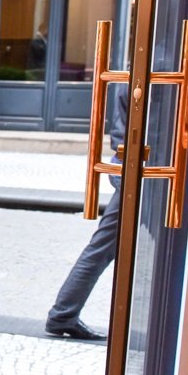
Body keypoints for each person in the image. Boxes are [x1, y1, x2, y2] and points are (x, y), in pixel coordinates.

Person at [46, 93, 127, 340]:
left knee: (101, 247)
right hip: (140, 171)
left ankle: (63, 314)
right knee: (103, 248)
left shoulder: (136, 69)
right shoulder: (165, 67)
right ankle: (62, 314)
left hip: (127, 165)